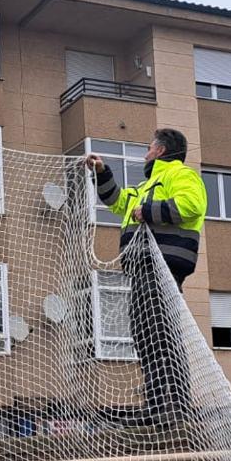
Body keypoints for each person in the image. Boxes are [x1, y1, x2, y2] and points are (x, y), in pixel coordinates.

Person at [85, 129, 207, 421]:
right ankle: (157, 405)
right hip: (142, 268)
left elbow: (192, 205)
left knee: (161, 334)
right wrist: (102, 171)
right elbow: (117, 201)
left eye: (149, 148)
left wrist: (148, 211)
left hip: (161, 266)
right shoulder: (146, 186)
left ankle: (172, 407)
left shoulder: (181, 175)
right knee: (146, 336)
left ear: (162, 151)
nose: (145, 153)